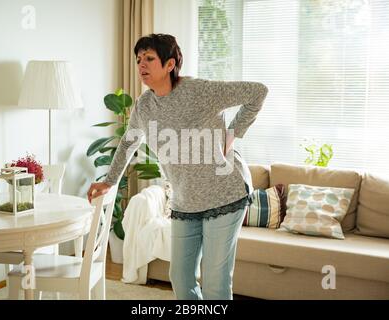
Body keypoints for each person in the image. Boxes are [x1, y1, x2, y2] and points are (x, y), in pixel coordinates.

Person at [88, 33, 268, 300]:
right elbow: (128, 143)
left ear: (170, 64)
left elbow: (258, 92)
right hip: (185, 201)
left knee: (216, 284)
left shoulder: (200, 91)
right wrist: (110, 181)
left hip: (226, 194)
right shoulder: (145, 105)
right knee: (181, 279)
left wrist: (232, 135)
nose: (141, 65)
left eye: (149, 58)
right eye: (138, 59)